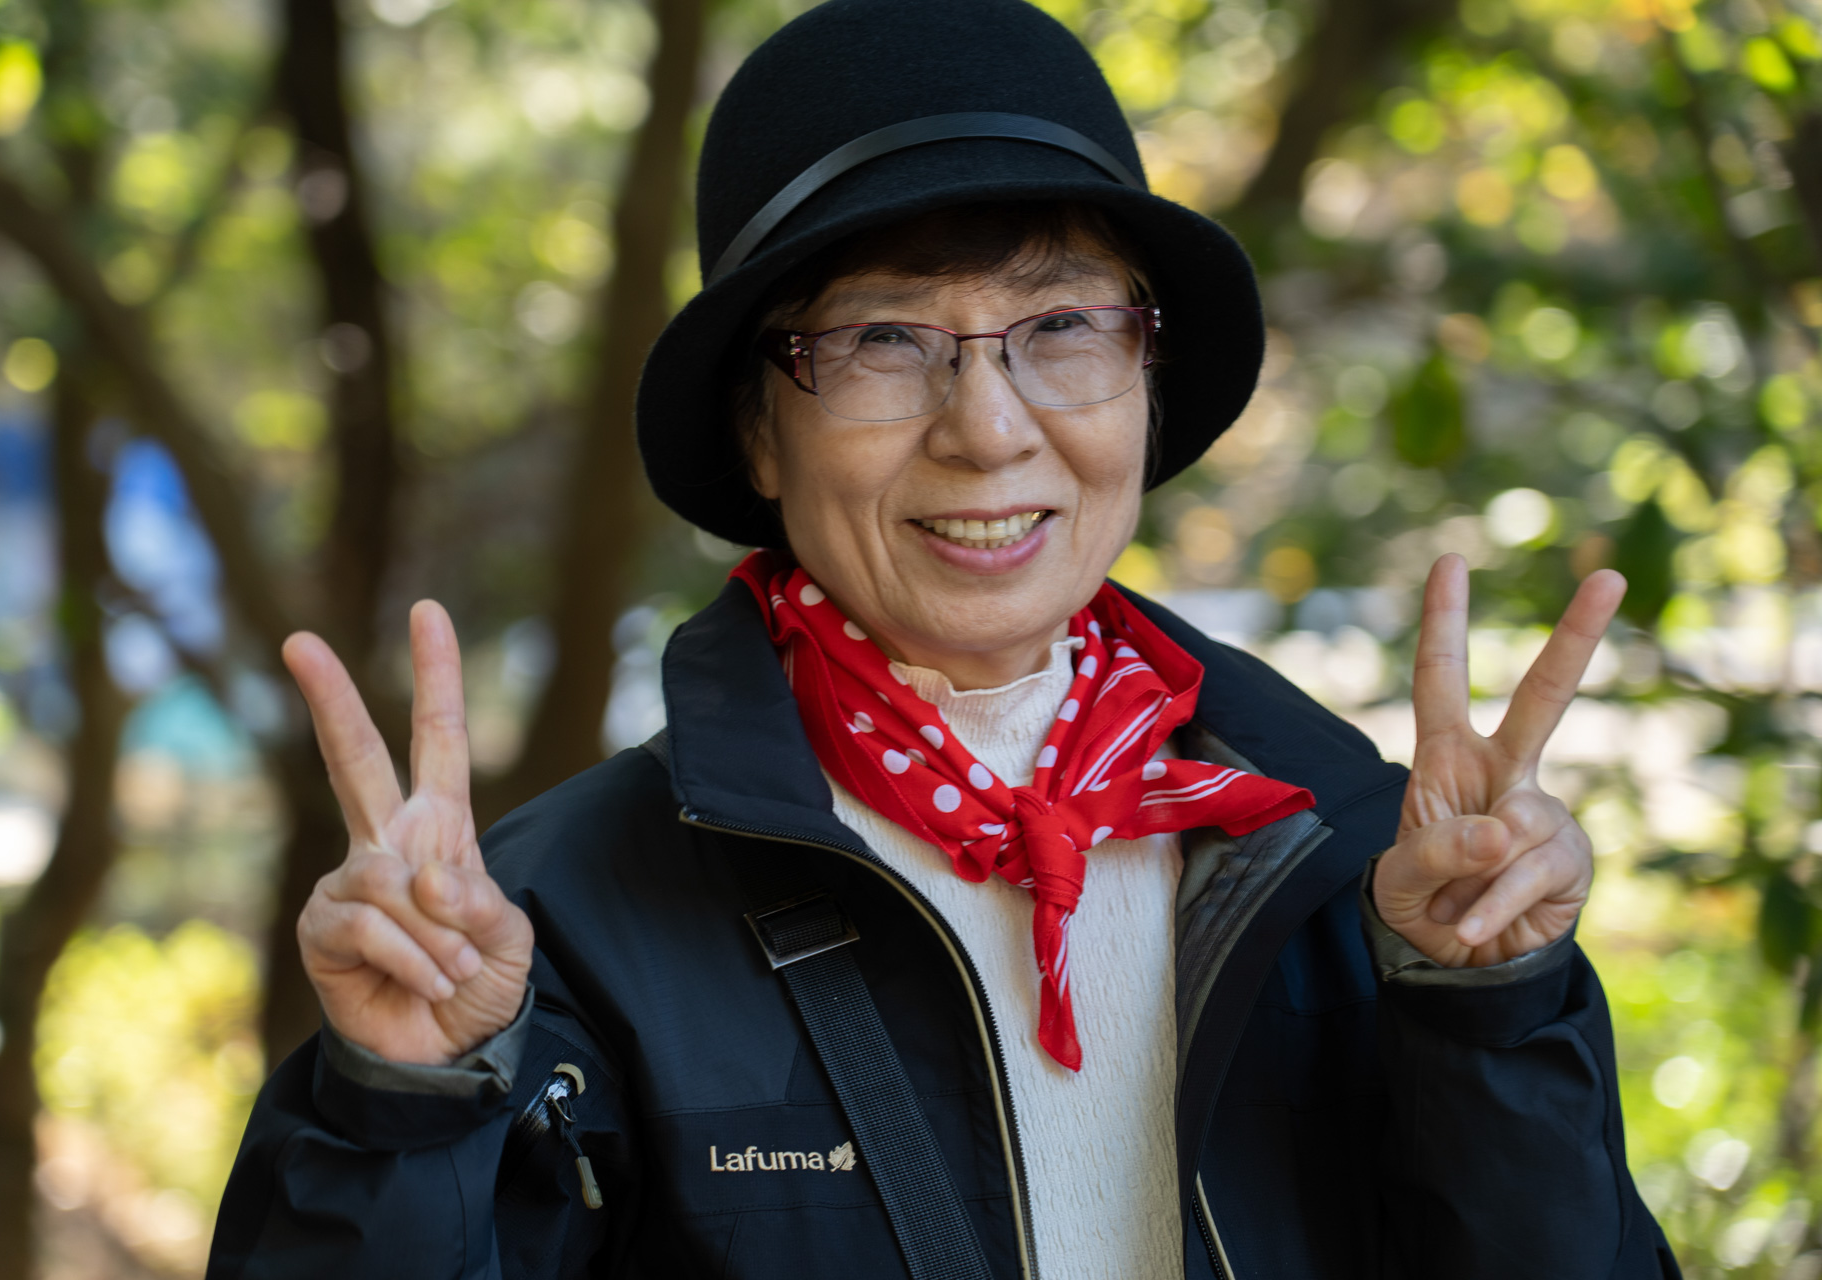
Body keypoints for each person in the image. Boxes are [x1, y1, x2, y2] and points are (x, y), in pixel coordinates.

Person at [208, 1, 1681, 1276]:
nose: (987, 430)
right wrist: (401, 1113)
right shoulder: (563, 921)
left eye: (1062, 328)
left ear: (1146, 380)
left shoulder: (1348, 854)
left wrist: (1486, 1013)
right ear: (758, 433)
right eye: (883, 341)